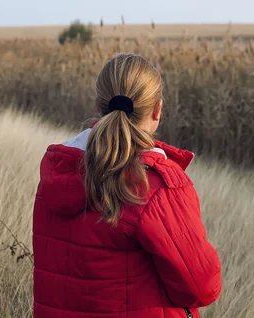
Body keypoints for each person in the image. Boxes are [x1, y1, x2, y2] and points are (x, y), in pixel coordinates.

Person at [32, 53, 222, 317]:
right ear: (157, 110)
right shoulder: (153, 185)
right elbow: (202, 288)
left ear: (97, 105)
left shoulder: (57, 173)